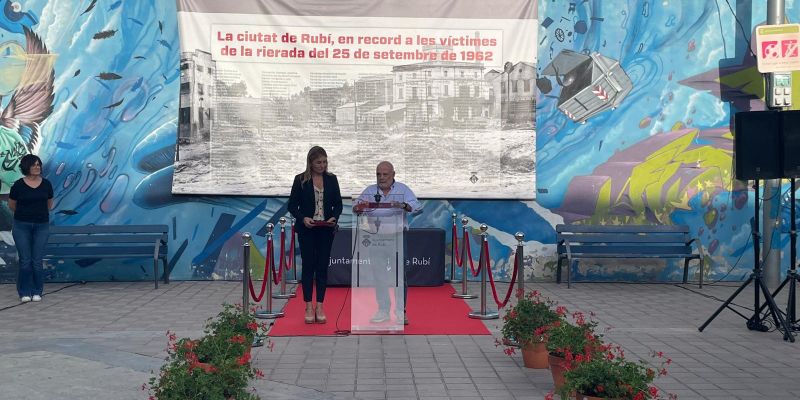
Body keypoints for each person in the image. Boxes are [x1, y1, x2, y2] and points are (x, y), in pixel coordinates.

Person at [354, 161, 421, 325]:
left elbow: (417, 206)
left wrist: (404, 205)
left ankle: (400, 311)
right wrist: (360, 207)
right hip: (376, 239)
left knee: (399, 276)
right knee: (379, 276)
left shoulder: (402, 189)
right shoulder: (370, 190)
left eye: (385, 174)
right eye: (378, 174)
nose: (381, 177)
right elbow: (356, 207)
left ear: (393, 174)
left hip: (397, 237)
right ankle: (383, 310)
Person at [287, 146, 342, 324]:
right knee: (309, 266)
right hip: (307, 230)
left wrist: (335, 216)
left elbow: (338, 204)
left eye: (325, 162)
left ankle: (320, 305)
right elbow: (292, 206)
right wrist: (303, 219)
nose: (322, 165)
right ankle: (308, 305)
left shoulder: (332, 179)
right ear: (310, 162)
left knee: (322, 266)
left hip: (326, 229)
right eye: (318, 162)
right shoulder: (300, 180)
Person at [9, 154, 54, 303]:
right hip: (22, 226)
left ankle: (37, 291)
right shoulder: (18, 185)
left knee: (37, 260)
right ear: (26, 166)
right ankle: (24, 292)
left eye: (38, 164)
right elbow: (12, 205)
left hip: (41, 226)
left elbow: (49, 204)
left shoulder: (46, 184)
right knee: (25, 260)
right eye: (34, 164)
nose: (37, 167)